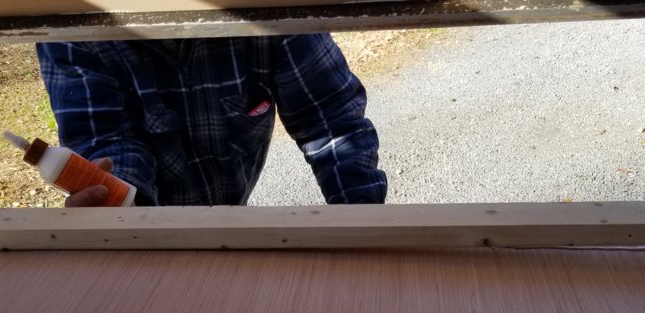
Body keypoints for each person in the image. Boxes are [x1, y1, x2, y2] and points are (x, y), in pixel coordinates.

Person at [36, 34, 387, 207]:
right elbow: (109, 145)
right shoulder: (74, 26)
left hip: (231, 217)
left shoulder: (270, 9)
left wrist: (362, 229)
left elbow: (330, 121)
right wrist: (118, 208)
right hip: (148, 247)